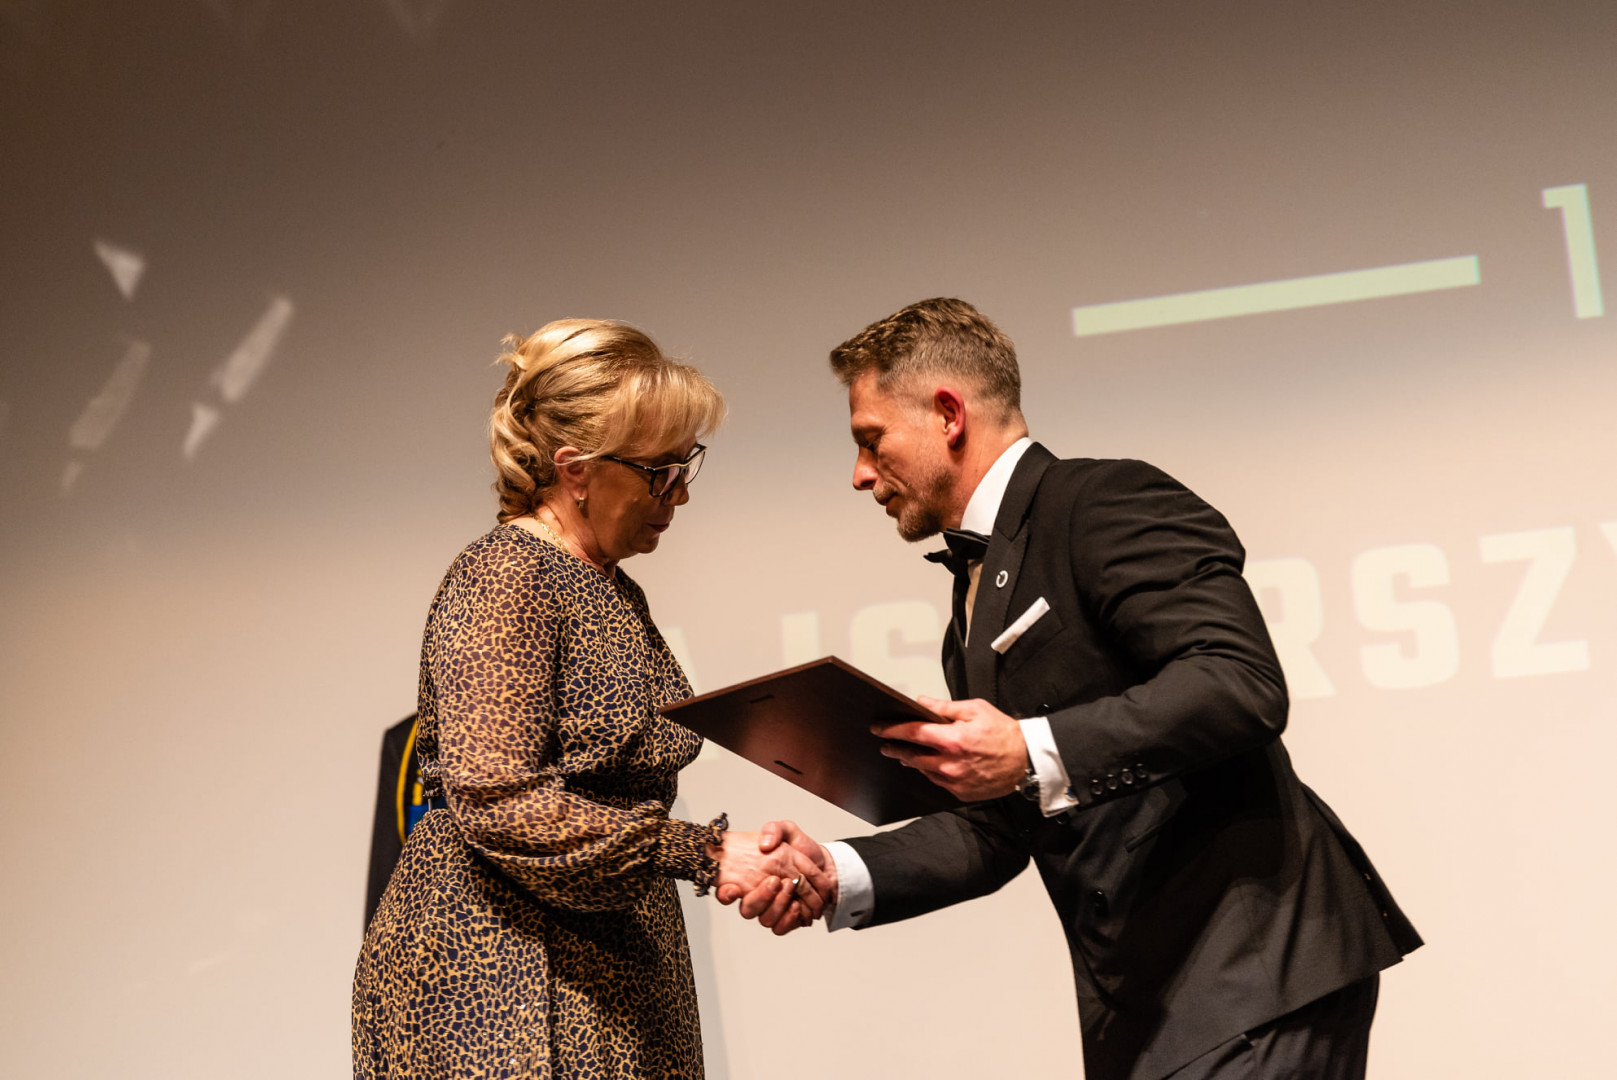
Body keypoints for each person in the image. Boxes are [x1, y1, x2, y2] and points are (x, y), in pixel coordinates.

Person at [729, 299, 1422, 1080]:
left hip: (1252, 974)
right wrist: (837, 872)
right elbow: (997, 830)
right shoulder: (970, 604)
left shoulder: (1103, 501)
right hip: (1150, 1008)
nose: (859, 474)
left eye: (870, 439)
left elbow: (1238, 682)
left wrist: (1028, 748)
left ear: (948, 414)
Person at [353, 319, 827, 1080]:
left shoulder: (610, 586)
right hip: (503, 976)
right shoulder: (507, 575)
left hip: (602, 959)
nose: (678, 494)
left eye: (686, 466)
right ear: (575, 469)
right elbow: (498, 797)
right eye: (658, 472)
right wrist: (704, 852)